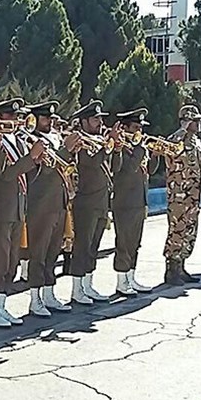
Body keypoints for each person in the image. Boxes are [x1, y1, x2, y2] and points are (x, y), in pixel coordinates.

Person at [0, 98, 44, 327]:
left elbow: (25, 177)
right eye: (10, 116)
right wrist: (30, 158)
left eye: (17, 117)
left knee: (11, 262)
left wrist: (36, 160)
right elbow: (4, 175)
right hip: (0, 209)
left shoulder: (18, 141)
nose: (16, 121)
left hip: (17, 208)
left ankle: (1, 305)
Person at [63, 100, 122, 305]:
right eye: (95, 119)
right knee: (82, 246)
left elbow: (115, 167)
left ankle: (88, 285)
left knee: (93, 247)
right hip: (86, 202)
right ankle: (76, 289)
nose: (99, 122)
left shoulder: (99, 141)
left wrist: (116, 148)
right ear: (84, 121)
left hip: (101, 201)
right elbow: (92, 162)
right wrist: (108, 145)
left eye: (100, 118)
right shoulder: (80, 142)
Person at [23, 101, 73, 316]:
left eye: (51, 118)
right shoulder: (30, 140)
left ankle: (49, 293)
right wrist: (65, 149)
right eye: (45, 118)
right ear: (34, 119)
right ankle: (35, 298)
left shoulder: (54, 138)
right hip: (40, 205)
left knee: (53, 252)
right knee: (39, 253)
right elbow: (45, 170)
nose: (50, 122)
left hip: (58, 203)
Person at [111, 108, 157, 295]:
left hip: (139, 200)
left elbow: (150, 171)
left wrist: (156, 155)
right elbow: (128, 168)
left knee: (135, 243)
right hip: (124, 202)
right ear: (125, 128)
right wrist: (141, 149)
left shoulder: (139, 148)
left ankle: (131, 277)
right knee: (124, 242)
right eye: (136, 127)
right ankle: (122, 281)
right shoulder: (121, 147)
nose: (140, 131)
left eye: (141, 127)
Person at [162, 105, 201, 286]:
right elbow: (169, 147)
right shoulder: (177, 139)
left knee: (189, 231)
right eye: (195, 121)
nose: (199, 124)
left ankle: (181, 267)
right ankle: (171, 270)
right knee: (177, 230)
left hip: (194, 195)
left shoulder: (196, 141)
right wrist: (182, 129)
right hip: (179, 195)